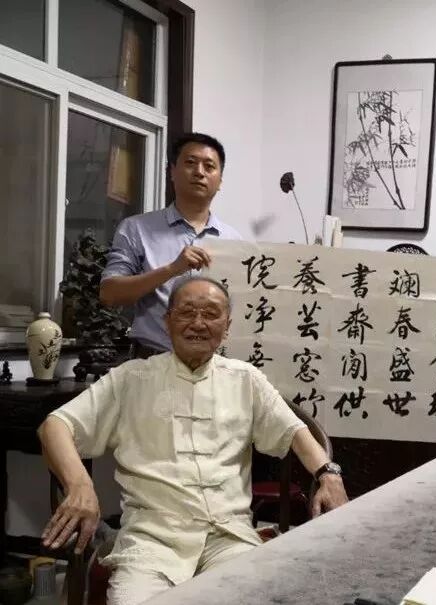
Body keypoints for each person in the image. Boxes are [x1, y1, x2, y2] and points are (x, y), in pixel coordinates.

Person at [38, 277, 348, 605]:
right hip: (151, 539)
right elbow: (54, 426)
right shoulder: (132, 378)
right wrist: (80, 485)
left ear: (227, 326)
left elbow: (295, 430)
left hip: (229, 537)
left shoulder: (245, 379)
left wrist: (328, 474)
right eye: (187, 312)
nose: (198, 323)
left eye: (211, 314)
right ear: (167, 321)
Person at [100, 132, 242, 358]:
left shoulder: (234, 241)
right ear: (172, 172)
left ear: (220, 181)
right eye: (190, 163)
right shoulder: (136, 228)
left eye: (209, 166)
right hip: (152, 360)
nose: (199, 172)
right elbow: (109, 294)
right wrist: (171, 269)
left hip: (214, 365)